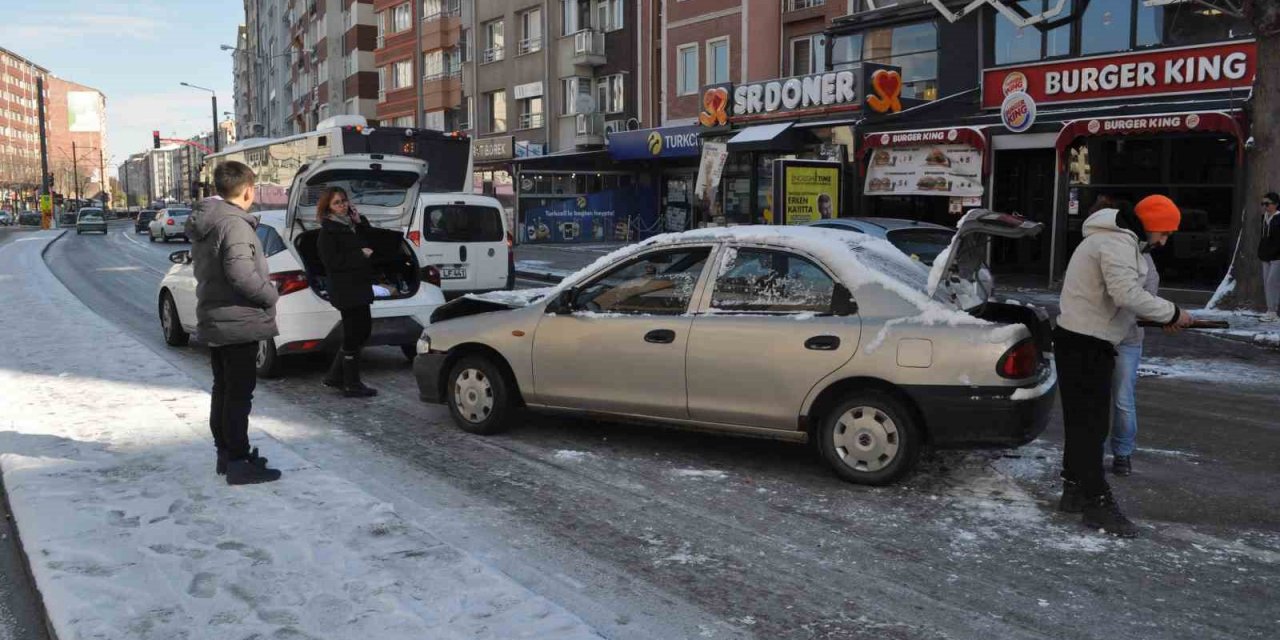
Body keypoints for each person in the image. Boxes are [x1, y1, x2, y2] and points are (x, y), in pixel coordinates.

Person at [1055, 194, 1192, 537]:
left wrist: (1159, 316)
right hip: (1086, 343)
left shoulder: (1113, 240)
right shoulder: (1117, 242)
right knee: (1092, 426)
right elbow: (1126, 294)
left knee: (1081, 424)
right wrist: (1172, 312)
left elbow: (1119, 301)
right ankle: (1097, 504)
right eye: (1165, 231)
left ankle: (1073, 491)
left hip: (1081, 339)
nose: (1165, 240)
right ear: (1153, 224)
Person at [185, 161, 283, 486]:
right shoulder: (235, 224)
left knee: (224, 391)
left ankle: (227, 454)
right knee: (238, 395)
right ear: (248, 190)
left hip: (216, 318)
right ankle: (239, 461)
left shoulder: (209, 223)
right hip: (238, 320)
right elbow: (241, 274)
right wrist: (269, 294)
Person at [1109, 200, 1159, 478]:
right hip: (1100, 335)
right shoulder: (1108, 251)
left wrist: (1168, 315)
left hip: (1127, 337)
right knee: (1100, 398)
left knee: (1122, 399)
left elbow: (1147, 303)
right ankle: (1094, 452)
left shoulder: (1147, 262)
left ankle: (1122, 454)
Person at [316, 187, 379, 398]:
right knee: (355, 333)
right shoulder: (328, 231)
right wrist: (359, 255)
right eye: (337, 203)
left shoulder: (351, 226)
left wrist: (360, 222)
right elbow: (332, 262)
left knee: (363, 331)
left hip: (359, 286)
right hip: (345, 289)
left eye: (344, 201)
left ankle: (334, 376)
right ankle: (352, 384)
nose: (342, 205)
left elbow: (371, 242)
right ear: (328, 208)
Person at [1258, 192, 1280, 322]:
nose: (1265, 206)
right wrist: (1261, 252)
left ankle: (1273, 311)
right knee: (1267, 283)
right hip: (1265, 256)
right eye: (1263, 204)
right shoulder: (1264, 217)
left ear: (1276, 204)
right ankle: (1270, 310)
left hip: (1277, 256)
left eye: (1267, 204)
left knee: (1273, 282)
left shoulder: (1278, 219)